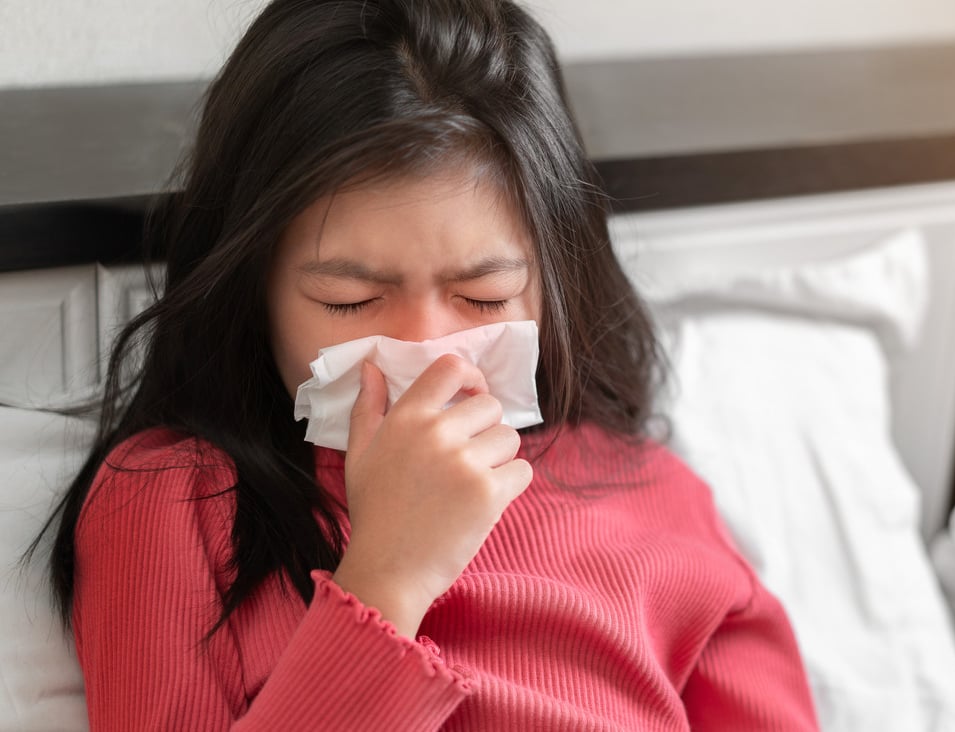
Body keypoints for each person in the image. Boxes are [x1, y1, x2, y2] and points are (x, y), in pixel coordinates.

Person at [37, 0, 820, 729]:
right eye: (349, 302)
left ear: (552, 283)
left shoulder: (648, 487)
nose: (425, 355)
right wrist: (387, 581)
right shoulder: (173, 501)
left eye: (483, 297)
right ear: (252, 291)